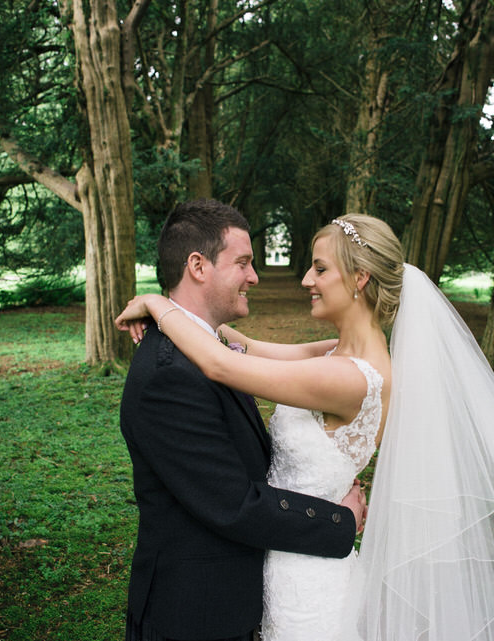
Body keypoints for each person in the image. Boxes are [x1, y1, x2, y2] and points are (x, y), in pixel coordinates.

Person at [117, 213, 494, 641]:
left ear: (359, 278)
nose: (306, 280)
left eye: (319, 269)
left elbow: (221, 365)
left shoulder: (351, 378)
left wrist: (158, 302)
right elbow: (244, 346)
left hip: (309, 578)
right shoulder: (337, 352)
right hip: (285, 559)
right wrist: (188, 313)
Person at [117, 199, 366, 641]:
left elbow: (325, 354)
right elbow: (234, 506)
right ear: (198, 265)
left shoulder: (210, 347)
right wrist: (337, 521)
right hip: (196, 618)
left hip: (235, 603)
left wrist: (157, 302)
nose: (254, 276)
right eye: (243, 263)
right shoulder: (168, 376)